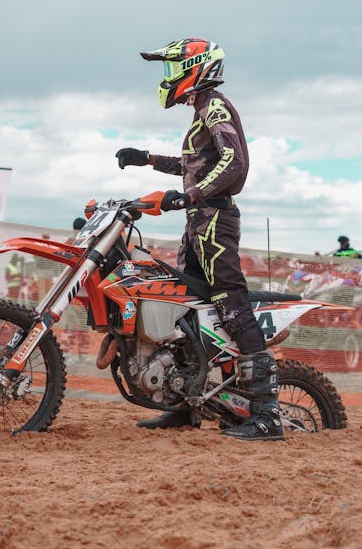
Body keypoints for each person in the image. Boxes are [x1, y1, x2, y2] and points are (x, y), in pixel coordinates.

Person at [115, 38, 282, 441]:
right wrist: (148, 158)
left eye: (175, 69)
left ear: (198, 67)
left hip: (215, 220)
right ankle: (183, 405)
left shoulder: (216, 106)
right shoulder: (202, 111)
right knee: (188, 308)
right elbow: (195, 164)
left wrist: (190, 195)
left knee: (230, 303)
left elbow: (234, 161)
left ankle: (268, 415)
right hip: (198, 222)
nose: (169, 78)